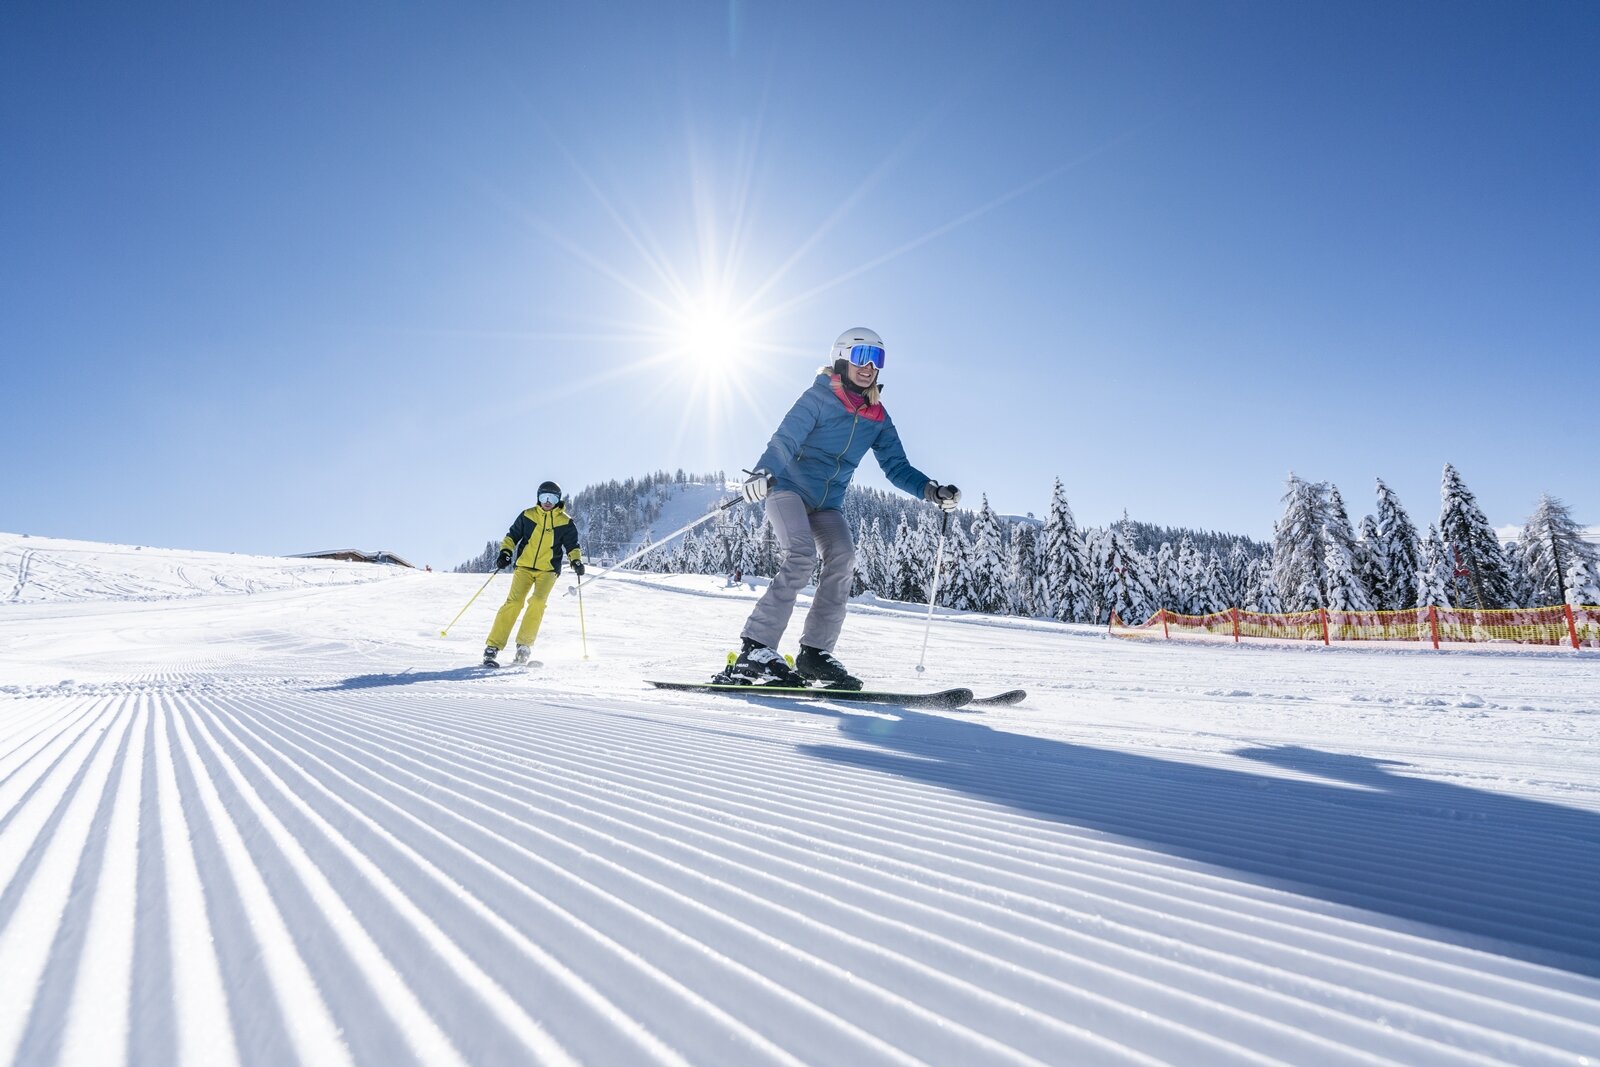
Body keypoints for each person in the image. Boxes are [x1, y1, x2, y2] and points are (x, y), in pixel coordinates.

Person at [727, 327, 959, 689]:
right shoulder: (818, 397)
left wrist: (930, 490)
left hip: (827, 504)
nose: (868, 366)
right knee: (801, 556)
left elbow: (896, 466)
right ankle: (755, 649)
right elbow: (785, 438)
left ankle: (814, 654)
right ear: (841, 358)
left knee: (843, 557)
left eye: (877, 359)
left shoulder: (877, 416)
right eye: (860, 356)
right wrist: (764, 471)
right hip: (787, 488)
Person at [484, 480, 585, 667]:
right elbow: (512, 536)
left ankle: (524, 646)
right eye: (543, 497)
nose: (547, 501)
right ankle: (493, 646)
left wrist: (576, 560)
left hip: (548, 571)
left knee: (538, 603)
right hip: (524, 567)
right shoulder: (528, 515)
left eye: (552, 497)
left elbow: (573, 545)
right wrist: (505, 552)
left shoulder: (565, 522)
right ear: (538, 498)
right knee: (513, 603)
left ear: (558, 500)